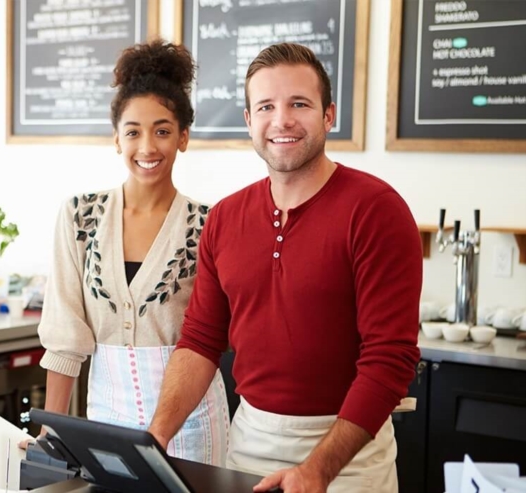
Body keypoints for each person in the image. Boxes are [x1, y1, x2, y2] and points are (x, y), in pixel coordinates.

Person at [148, 42, 423, 493]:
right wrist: (156, 435)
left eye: (299, 103)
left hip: (348, 459)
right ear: (249, 121)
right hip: (248, 445)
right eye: (266, 106)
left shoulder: (376, 210)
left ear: (328, 115)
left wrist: (318, 470)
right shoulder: (225, 218)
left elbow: (390, 360)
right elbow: (200, 340)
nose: (282, 120)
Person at [32, 39, 230, 466]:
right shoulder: (79, 217)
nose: (147, 147)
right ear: (116, 139)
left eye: (162, 130)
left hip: (192, 422)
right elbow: (66, 338)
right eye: (133, 131)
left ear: (184, 138)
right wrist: (51, 430)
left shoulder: (210, 223)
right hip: (106, 417)